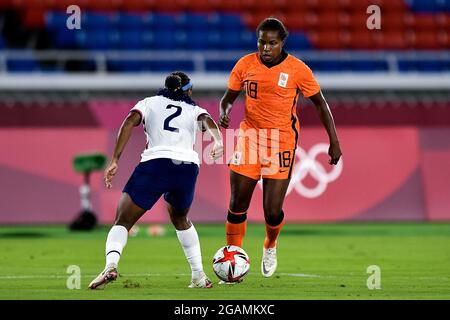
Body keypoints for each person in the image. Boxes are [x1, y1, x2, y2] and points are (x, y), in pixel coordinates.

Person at [219, 18, 342, 279]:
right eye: (261, 42)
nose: (265, 48)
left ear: (282, 42)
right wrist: (225, 112)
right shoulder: (245, 64)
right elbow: (227, 98)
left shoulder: (298, 69)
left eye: (272, 43)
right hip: (249, 137)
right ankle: (233, 259)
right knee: (237, 202)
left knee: (272, 211)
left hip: (280, 141)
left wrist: (334, 140)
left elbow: (320, 104)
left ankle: (270, 244)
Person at [89, 71, 223, 289]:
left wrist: (114, 160)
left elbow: (129, 122)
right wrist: (218, 142)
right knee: (181, 220)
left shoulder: (149, 103)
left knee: (122, 221)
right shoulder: (194, 109)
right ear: (189, 90)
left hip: (156, 164)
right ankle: (198, 276)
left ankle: (111, 266)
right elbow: (207, 121)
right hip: (187, 168)